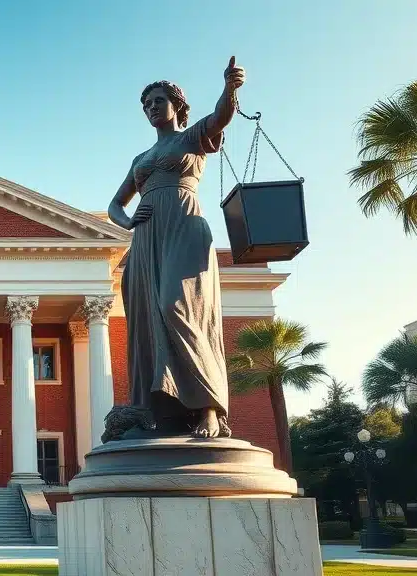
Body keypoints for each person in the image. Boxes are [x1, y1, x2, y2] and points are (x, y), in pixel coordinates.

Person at [107, 56, 247, 439]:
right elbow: (115, 204)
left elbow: (220, 117)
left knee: (177, 305)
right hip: (147, 236)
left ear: (177, 105)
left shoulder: (191, 138)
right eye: (147, 104)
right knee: (145, 318)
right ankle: (158, 410)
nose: (152, 107)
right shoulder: (141, 158)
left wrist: (230, 89)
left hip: (184, 225)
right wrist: (129, 221)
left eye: (158, 101)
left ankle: (209, 407)